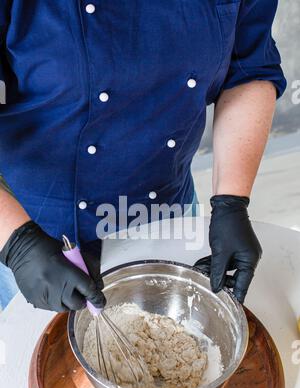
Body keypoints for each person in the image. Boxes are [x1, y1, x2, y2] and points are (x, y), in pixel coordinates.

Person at [0, 1, 286, 311]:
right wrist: (19, 245)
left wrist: (231, 200)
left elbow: (248, 70)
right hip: (38, 237)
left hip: (168, 212)